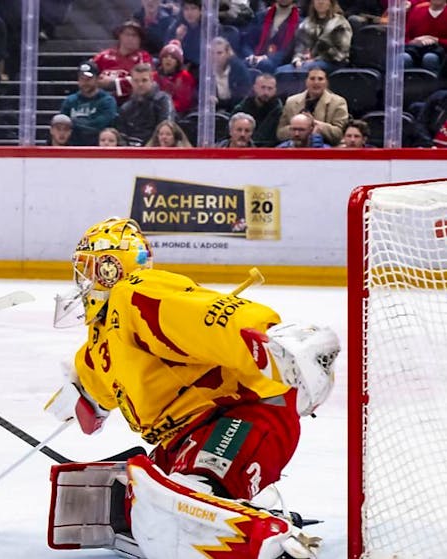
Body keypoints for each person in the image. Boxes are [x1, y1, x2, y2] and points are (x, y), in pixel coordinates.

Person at [44, 217, 340, 558]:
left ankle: (269, 538)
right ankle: (242, 507)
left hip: (244, 416)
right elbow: (94, 383)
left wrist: (270, 341)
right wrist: (79, 395)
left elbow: (207, 316)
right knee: (140, 498)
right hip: (183, 438)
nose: (82, 279)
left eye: (88, 267)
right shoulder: (101, 338)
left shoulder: (136, 294)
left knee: (186, 497)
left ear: (110, 268)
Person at [277, 67, 349, 145]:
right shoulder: (291, 101)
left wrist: (313, 123)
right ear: (306, 82)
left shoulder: (338, 102)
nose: (316, 82)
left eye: (320, 79)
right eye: (312, 79)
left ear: (327, 83)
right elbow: (280, 133)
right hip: (295, 147)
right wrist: (299, 128)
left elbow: (339, 134)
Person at [60, 60, 118, 146]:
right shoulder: (70, 101)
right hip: (73, 147)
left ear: (97, 79)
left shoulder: (107, 101)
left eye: (89, 79)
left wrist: (75, 123)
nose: (85, 82)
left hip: (98, 148)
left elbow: (100, 126)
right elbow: (63, 124)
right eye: (82, 79)